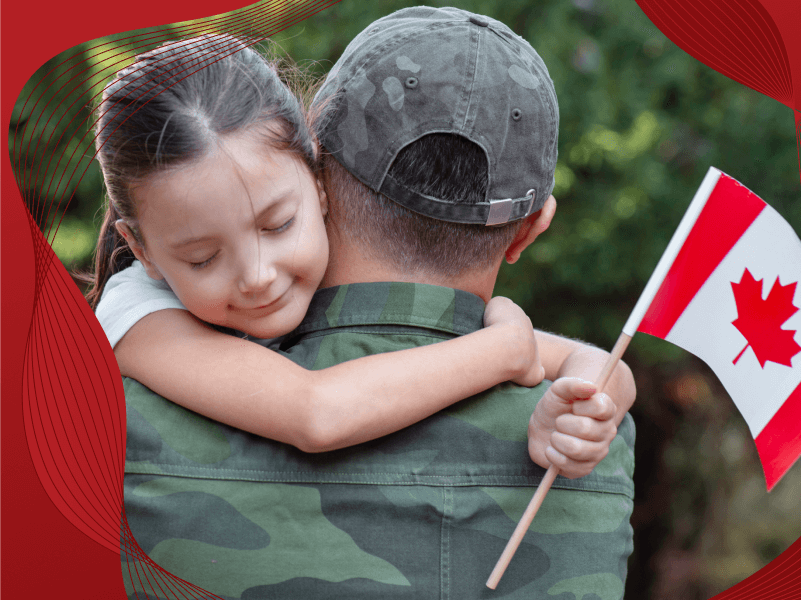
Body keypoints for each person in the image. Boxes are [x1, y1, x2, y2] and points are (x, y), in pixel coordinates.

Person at [97, 28, 634, 599]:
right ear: (144, 250)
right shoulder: (136, 315)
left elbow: (600, 367)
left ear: (318, 178)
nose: (256, 274)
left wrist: (581, 407)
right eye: (202, 258)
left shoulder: (257, 291)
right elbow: (316, 412)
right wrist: (500, 349)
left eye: (278, 225)